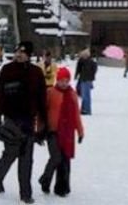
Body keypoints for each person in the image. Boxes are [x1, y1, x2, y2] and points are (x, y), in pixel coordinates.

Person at [0, 41, 47, 204]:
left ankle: (25, 194)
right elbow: (0, 94)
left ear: (29, 55)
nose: (19, 55)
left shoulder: (36, 72)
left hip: (29, 119)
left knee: (26, 157)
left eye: (23, 52)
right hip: (11, 118)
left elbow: (42, 99)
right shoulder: (7, 70)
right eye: (17, 51)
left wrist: (43, 123)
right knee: (11, 153)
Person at [38, 67, 84, 198]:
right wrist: (39, 129)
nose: (64, 83)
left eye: (66, 81)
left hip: (67, 132)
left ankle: (62, 188)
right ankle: (45, 179)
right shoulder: (50, 93)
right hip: (52, 131)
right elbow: (41, 113)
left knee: (65, 160)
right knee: (56, 157)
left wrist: (80, 131)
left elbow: (76, 115)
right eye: (61, 80)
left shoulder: (72, 94)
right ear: (57, 80)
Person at [74, 49, 98, 115]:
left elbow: (94, 70)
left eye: (83, 55)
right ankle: (84, 109)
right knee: (85, 95)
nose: (82, 56)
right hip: (84, 79)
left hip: (86, 80)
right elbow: (79, 69)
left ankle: (87, 110)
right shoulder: (84, 61)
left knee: (85, 96)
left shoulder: (89, 62)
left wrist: (91, 76)